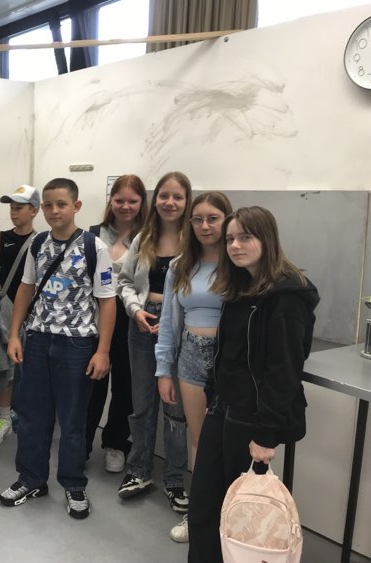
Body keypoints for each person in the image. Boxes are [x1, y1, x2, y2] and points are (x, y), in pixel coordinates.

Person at [187, 206, 319, 562]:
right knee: (204, 505)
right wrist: (213, 391)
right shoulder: (241, 287)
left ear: (267, 239)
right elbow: (228, 351)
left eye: (245, 237)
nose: (235, 245)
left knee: (241, 514)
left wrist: (265, 433)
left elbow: (284, 370)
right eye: (230, 238)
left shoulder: (287, 297)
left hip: (252, 416)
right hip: (223, 406)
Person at [0, 178, 116, 520]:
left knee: (73, 419)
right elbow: (25, 288)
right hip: (37, 340)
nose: (54, 211)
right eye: (48, 205)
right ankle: (31, 479)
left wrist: (103, 351)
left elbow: (107, 302)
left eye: (61, 204)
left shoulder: (95, 248)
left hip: (77, 345)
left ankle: (73, 483)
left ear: (76, 206)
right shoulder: (37, 244)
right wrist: (15, 335)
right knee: (32, 416)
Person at [155, 191, 233, 542]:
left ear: (227, 220)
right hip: (190, 356)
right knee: (199, 440)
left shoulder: (238, 263)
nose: (205, 225)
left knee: (232, 443)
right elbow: (169, 323)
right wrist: (163, 370)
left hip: (229, 360)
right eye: (198, 219)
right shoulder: (180, 266)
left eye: (213, 218)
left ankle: (230, 518)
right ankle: (200, 515)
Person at [117, 171, 192, 513]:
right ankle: (138, 470)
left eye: (177, 196)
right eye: (164, 195)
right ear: (155, 199)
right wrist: (135, 310)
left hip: (180, 329)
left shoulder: (195, 241)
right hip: (143, 325)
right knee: (142, 404)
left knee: (176, 409)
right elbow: (124, 282)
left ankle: (175, 479)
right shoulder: (143, 238)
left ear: (187, 201)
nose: (170, 202)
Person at [85, 175, 148, 472]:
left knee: (125, 385)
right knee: (91, 383)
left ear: (142, 203)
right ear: (110, 201)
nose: (125, 206)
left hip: (131, 318)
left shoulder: (148, 237)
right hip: (94, 317)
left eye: (132, 201)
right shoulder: (93, 234)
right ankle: (81, 443)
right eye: (119, 200)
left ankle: (115, 443)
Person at [0, 184, 39, 446]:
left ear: (34, 211)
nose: (14, 212)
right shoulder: (1, 237)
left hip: (33, 310)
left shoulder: (42, 241)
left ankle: (28, 416)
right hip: (6, 306)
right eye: (12, 207)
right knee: (4, 364)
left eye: (20, 207)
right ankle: (4, 418)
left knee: (31, 365)